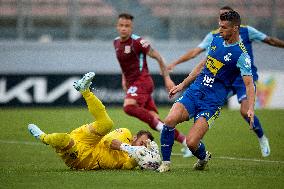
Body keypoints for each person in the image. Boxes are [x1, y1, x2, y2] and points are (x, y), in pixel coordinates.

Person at [167, 6, 284, 157]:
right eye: (219, 20)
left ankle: (262, 138)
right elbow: (197, 53)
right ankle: (194, 143)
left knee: (244, 111)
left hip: (241, 79)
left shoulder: (248, 32)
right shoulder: (215, 36)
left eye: (223, 21)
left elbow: (270, 40)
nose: (220, 26)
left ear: (235, 26)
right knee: (210, 105)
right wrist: (176, 64)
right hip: (222, 81)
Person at [158, 10, 255, 172]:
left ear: (235, 28)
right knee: (169, 120)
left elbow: (250, 84)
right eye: (219, 26)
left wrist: (251, 107)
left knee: (191, 143)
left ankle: (203, 157)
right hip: (194, 92)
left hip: (211, 102)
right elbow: (203, 65)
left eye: (224, 27)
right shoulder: (216, 40)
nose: (220, 30)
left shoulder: (242, 56)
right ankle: (165, 163)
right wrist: (182, 85)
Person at [28, 72, 160, 170]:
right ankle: (85, 90)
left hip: (82, 159)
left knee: (63, 139)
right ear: (135, 137)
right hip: (89, 140)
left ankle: (42, 136)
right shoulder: (125, 134)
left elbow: (126, 167)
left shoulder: (132, 158)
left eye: (144, 146)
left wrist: (139, 159)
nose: (142, 147)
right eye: (142, 142)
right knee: (107, 124)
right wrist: (131, 149)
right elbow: (108, 141)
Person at [113, 13, 193, 157]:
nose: (124, 28)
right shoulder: (116, 43)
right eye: (121, 25)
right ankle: (187, 142)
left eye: (127, 26)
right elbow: (124, 65)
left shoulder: (138, 42)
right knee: (154, 119)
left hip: (143, 81)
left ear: (131, 27)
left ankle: (159, 126)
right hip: (133, 84)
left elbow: (158, 57)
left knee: (129, 107)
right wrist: (124, 79)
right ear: (117, 26)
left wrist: (167, 79)